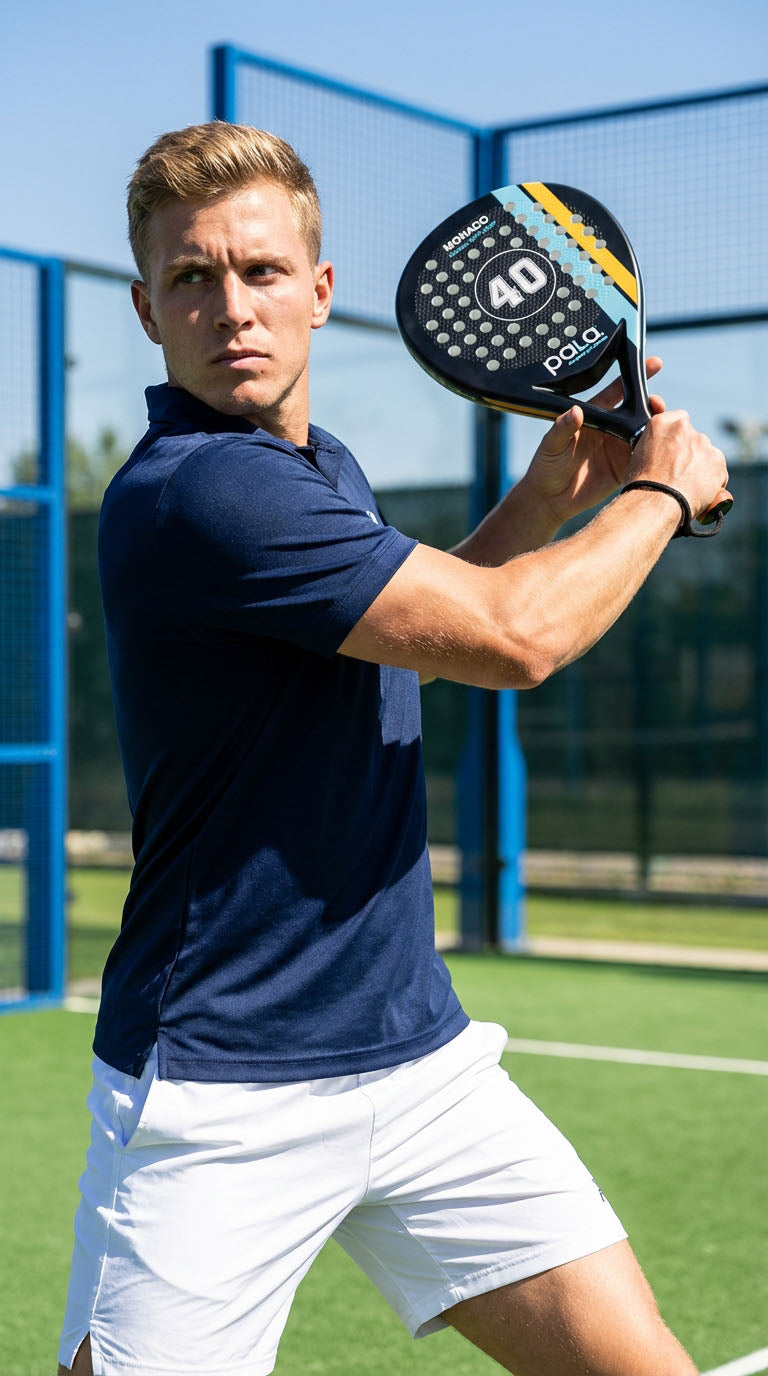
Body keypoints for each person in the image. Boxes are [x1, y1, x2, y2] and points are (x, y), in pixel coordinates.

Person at [57, 121, 727, 1376]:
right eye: (192, 278)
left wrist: (545, 502)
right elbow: (516, 639)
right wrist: (662, 492)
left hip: (419, 1061)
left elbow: (404, 639)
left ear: (318, 290)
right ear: (148, 310)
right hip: (222, 1086)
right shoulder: (202, 490)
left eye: (262, 270)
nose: (232, 307)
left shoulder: (320, 468)